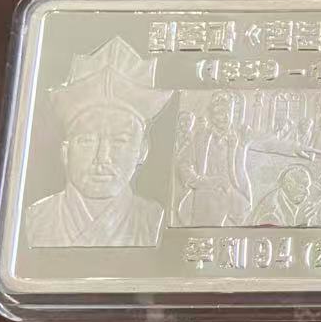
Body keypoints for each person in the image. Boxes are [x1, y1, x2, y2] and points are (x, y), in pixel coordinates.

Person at [26, 37, 171, 247]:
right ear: (65, 151)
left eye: (120, 141)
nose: (102, 158)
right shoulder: (38, 219)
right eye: (87, 140)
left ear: (142, 151)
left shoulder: (152, 221)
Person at [173, 90, 254, 226]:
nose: (222, 117)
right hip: (204, 201)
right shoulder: (200, 138)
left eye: (226, 112)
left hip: (233, 200)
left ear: (232, 114)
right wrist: (201, 182)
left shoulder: (239, 139)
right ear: (211, 115)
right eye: (218, 113)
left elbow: (240, 172)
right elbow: (183, 165)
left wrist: (242, 147)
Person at [250, 165, 320, 227]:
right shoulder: (271, 214)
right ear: (289, 186)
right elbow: (286, 236)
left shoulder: (285, 198)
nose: (307, 193)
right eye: (301, 187)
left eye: (307, 187)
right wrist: (300, 223)